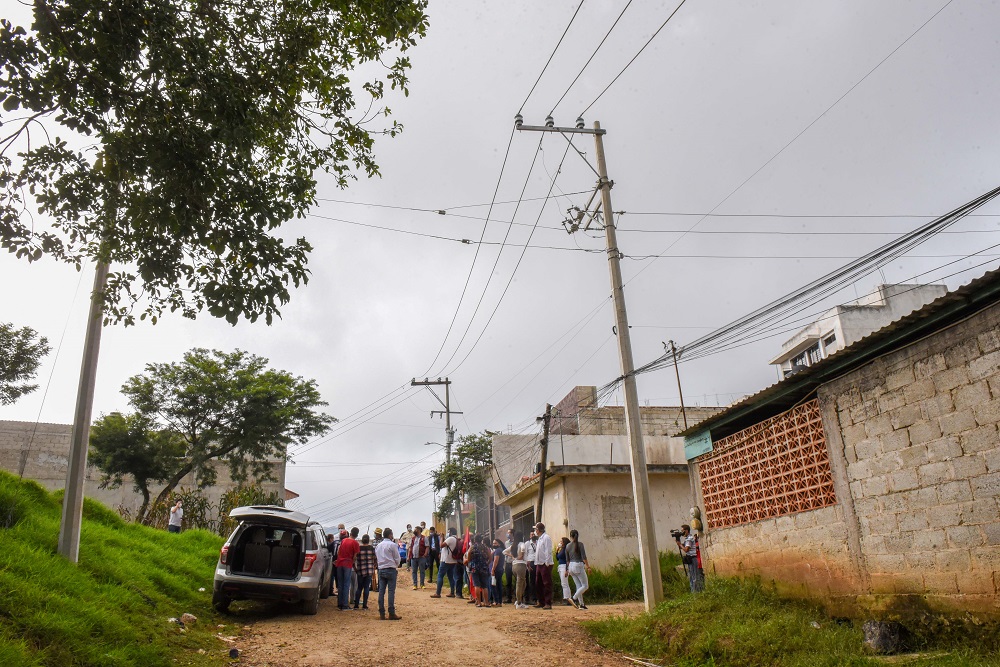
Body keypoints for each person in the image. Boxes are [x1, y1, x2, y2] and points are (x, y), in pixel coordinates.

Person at [375, 527, 402, 620]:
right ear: (390, 535)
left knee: (381, 591)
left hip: (381, 569)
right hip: (390, 569)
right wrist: (396, 565)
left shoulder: (379, 545)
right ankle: (391, 612)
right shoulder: (392, 545)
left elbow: (377, 557)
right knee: (391, 591)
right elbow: (397, 558)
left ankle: (381, 613)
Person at [431, 526, 460, 598]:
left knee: (440, 575)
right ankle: (452, 592)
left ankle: (438, 593)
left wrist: (441, 538)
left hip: (446, 560)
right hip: (453, 560)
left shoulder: (450, 539)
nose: (448, 533)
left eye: (448, 531)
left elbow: (441, 545)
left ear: (451, 532)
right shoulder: (456, 539)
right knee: (450, 577)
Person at [335, 528, 360, 610]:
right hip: (347, 564)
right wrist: (353, 564)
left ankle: (340, 603)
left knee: (340, 584)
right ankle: (345, 605)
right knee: (346, 584)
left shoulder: (344, 540)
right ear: (357, 534)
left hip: (339, 563)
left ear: (351, 533)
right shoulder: (355, 543)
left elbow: (339, 552)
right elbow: (355, 556)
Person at [566, 529, 591, 609]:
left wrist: (567, 569)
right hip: (578, 565)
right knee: (585, 585)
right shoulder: (580, 544)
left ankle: (582, 604)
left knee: (578, 586)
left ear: (570, 536)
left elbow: (567, 559)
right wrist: (588, 567)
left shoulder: (568, 546)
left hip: (571, 567)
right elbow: (584, 557)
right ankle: (574, 598)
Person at [676, 524, 703, 593]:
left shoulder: (689, 539)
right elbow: (684, 547)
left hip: (692, 559)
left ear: (686, 531)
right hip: (690, 559)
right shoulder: (687, 539)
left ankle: (696, 594)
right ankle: (694, 592)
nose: (682, 533)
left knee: (694, 577)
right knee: (692, 577)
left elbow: (686, 550)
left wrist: (680, 545)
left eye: (683, 531)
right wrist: (679, 542)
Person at [353, 534, 377, 610]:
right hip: (369, 570)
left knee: (359, 588)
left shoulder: (359, 548)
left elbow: (354, 559)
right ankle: (364, 605)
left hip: (360, 570)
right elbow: (375, 559)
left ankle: (356, 605)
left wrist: (355, 568)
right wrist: (374, 567)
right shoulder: (371, 548)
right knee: (366, 587)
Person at [533, 522, 554, 609]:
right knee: (538, 583)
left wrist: (547, 563)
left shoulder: (546, 538)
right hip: (539, 563)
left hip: (545, 564)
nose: (535, 531)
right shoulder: (539, 539)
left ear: (539, 530)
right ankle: (541, 601)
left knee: (546, 583)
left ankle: (548, 602)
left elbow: (548, 551)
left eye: (536, 529)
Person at [510, 530, 528, 609]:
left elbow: (504, 552)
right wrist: (519, 557)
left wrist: (513, 558)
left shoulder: (513, 545)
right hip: (521, 564)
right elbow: (522, 552)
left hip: (514, 565)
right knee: (520, 584)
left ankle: (518, 600)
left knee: (522, 583)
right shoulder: (522, 544)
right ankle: (519, 602)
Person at [489, 538, 505, 607]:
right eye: (493, 543)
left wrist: (492, 570)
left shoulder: (498, 551)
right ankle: (499, 601)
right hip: (500, 570)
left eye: (495, 543)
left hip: (496, 570)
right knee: (498, 585)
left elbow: (496, 561)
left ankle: (496, 601)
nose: (493, 545)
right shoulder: (500, 550)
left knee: (493, 585)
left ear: (499, 544)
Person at [556, 537, 572, 605]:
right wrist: (557, 550)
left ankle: (566, 598)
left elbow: (567, 560)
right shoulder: (562, 549)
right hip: (560, 566)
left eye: (561, 541)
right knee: (564, 583)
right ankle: (568, 598)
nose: (560, 542)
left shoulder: (566, 550)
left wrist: (567, 569)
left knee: (564, 583)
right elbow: (557, 558)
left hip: (564, 566)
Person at [523, 529, 537, 604]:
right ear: (529, 536)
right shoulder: (527, 543)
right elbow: (525, 554)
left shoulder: (538, 542)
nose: (533, 536)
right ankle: (532, 598)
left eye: (534, 534)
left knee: (537, 581)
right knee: (531, 581)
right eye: (531, 534)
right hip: (530, 562)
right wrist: (526, 564)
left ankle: (538, 597)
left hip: (538, 562)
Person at [503, 528, 515, 603]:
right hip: (508, 563)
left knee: (518, 581)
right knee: (508, 582)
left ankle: (519, 597)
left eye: (509, 533)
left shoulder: (516, 542)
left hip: (514, 563)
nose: (508, 534)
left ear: (513, 534)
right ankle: (508, 598)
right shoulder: (506, 543)